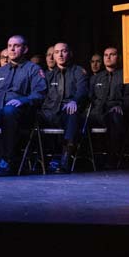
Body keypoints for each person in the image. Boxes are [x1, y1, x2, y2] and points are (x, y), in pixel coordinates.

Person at [0, 35, 47, 176]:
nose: (12, 48)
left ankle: (7, 160)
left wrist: (23, 101)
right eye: (10, 46)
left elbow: (40, 93)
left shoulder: (33, 69)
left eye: (16, 45)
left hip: (22, 113)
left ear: (25, 49)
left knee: (9, 111)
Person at [38, 42, 89, 173]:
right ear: (53, 56)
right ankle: (36, 160)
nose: (60, 54)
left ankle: (65, 158)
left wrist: (74, 101)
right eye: (57, 52)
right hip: (49, 112)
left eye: (63, 51)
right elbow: (40, 94)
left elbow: (82, 91)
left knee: (73, 113)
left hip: (67, 111)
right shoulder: (48, 75)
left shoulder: (78, 71)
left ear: (70, 53)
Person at [86, 47, 129, 169]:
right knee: (79, 119)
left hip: (115, 112)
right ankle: (85, 159)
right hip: (97, 113)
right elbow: (89, 98)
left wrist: (121, 106)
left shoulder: (126, 75)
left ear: (118, 57)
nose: (108, 57)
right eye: (105, 55)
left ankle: (112, 158)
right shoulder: (96, 78)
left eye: (112, 54)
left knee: (114, 117)